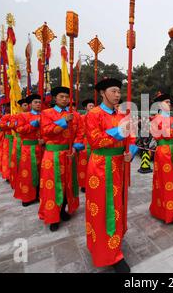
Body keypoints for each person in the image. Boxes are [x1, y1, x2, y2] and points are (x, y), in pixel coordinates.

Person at [84, 78, 138, 273]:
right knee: (104, 207)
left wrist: (131, 152)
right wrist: (118, 131)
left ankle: (115, 243)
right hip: (100, 167)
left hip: (119, 166)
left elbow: (132, 137)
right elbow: (95, 141)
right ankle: (108, 252)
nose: (118, 95)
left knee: (118, 205)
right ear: (102, 93)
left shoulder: (123, 114)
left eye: (119, 92)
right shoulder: (93, 114)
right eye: (114, 91)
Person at [38, 87, 84, 232]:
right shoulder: (46, 113)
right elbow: (46, 131)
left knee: (68, 185)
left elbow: (80, 134)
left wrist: (76, 148)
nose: (64, 99)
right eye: (61, 96)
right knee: (52, 186)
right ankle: (52, 216)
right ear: (55, 98)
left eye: (66, 97)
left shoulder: (75, 115)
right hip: (52, 156)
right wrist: (63, 121)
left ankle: (64, 209)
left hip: (69, 154)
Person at [149, 92, 173, 225]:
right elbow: (165, 134)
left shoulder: (171, 118)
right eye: (167, 102)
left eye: (170, 102)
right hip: (163, 153)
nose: (169, 104)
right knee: (166, 181)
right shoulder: (156, 119)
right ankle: (167, 213)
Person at [14, 94, 43, 207]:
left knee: (42, 173)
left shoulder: (45, 115)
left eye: (40, 102)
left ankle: (40, 194)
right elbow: (19, 129)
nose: (38, 104)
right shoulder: (23, 116)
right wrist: (32, 125)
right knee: (27, 173)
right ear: (30, 104)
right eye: (36, 102)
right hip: (28, 149)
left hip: (42, 148)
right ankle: (27, 196)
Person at [78, 99, 95, 193]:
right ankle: (84, 185)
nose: (92, 107)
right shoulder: (81, 117)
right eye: (90, 106)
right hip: (84, 142)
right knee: (83, 164)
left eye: (93, 106)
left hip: (94, 142)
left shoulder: (97, 116)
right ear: (85, 108)